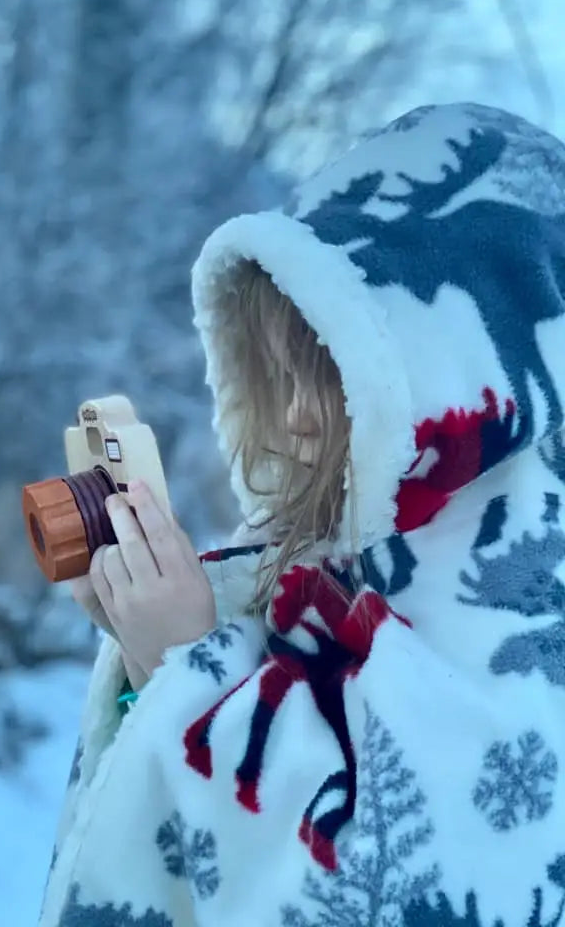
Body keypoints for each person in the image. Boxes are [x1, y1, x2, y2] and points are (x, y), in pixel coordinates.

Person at [39, 103, 565, 927]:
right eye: (279, 377)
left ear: (457, 366)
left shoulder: (525, 606)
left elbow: (398, 887)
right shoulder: (330, 547)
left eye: (333, 376)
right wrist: (154, 657)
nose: (294, 419)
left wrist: (184, 661)